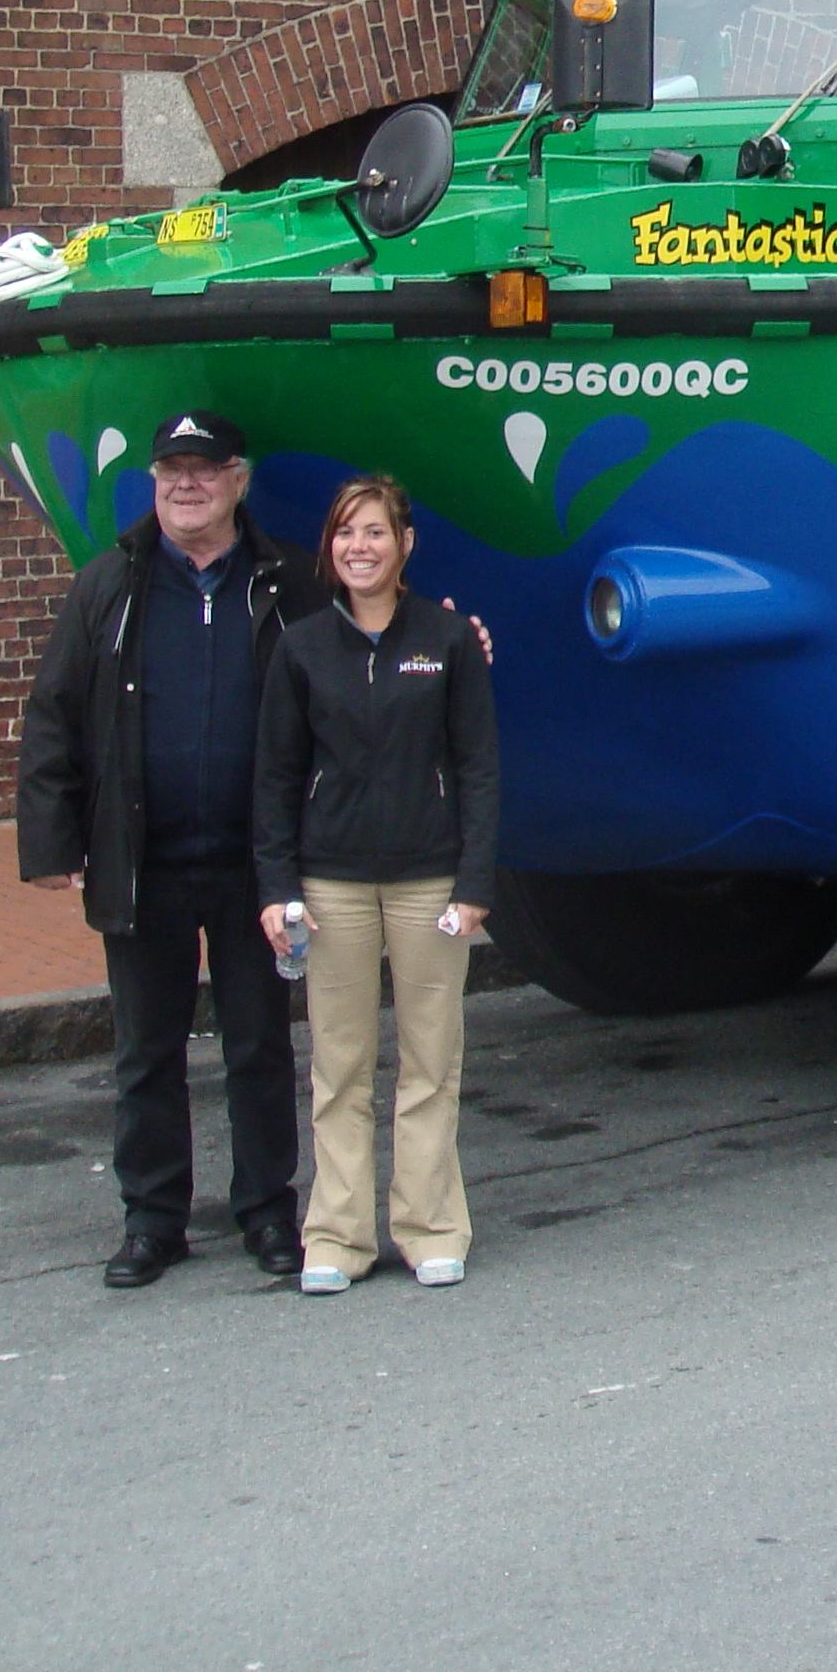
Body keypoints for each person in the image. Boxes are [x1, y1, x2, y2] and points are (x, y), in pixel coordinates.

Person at [17, 409, 328, 1288]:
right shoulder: (108, 585)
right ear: (153, 482)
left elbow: (354, 677)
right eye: (171, 471)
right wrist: (52, 838)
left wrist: (455, 637)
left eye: (204, 469)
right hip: (142, 860)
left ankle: (267, 1213)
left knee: (259, 1047)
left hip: (255, 866)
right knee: (145, 1052)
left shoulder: (288, 581)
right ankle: (153, 1221)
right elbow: (54, 713)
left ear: (239, 480)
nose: (186, 485)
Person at [254, 473, 501, 1296]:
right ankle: (337, 1236)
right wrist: (276, 886)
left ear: (405, 544)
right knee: (340, 1066)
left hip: (431, 881)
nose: (358, 547)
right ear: (329, 547)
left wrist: (474, 882)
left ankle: (431, 1228)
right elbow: (276, 778)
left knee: (432, 1060)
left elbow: (478, 767)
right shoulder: (301, 648)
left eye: (375, 532)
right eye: (344, 532)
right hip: (331, 885)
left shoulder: (449, 640)